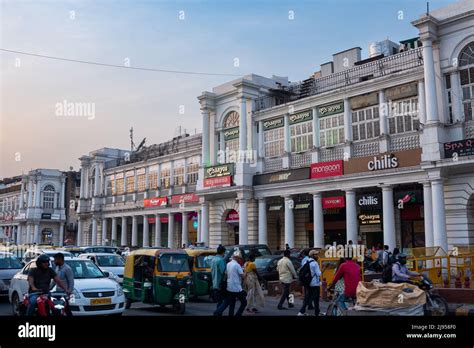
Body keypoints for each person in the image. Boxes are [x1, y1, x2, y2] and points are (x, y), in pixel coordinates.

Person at [214, 251, 247, 316]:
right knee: (244, 302)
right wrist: (245, 271)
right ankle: (238, 314)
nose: (240, 259)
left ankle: (218, 312)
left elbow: (226, 274)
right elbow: (242, 276)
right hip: (236, 288)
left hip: (229, 286)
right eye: (239, 258)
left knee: (230, 302)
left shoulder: (228, 264)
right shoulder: (237, 265)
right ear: (237, 258)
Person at [297, 249, 322, 316]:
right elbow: (319, 274)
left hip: (308, 282)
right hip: (315, 283)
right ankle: (317, 313)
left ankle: (301, 312)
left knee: (308, 297)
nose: (317, 256)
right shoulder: (315, 263)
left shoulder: (306, 261)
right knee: (316, 299)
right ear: (312, 255)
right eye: (316, 254)